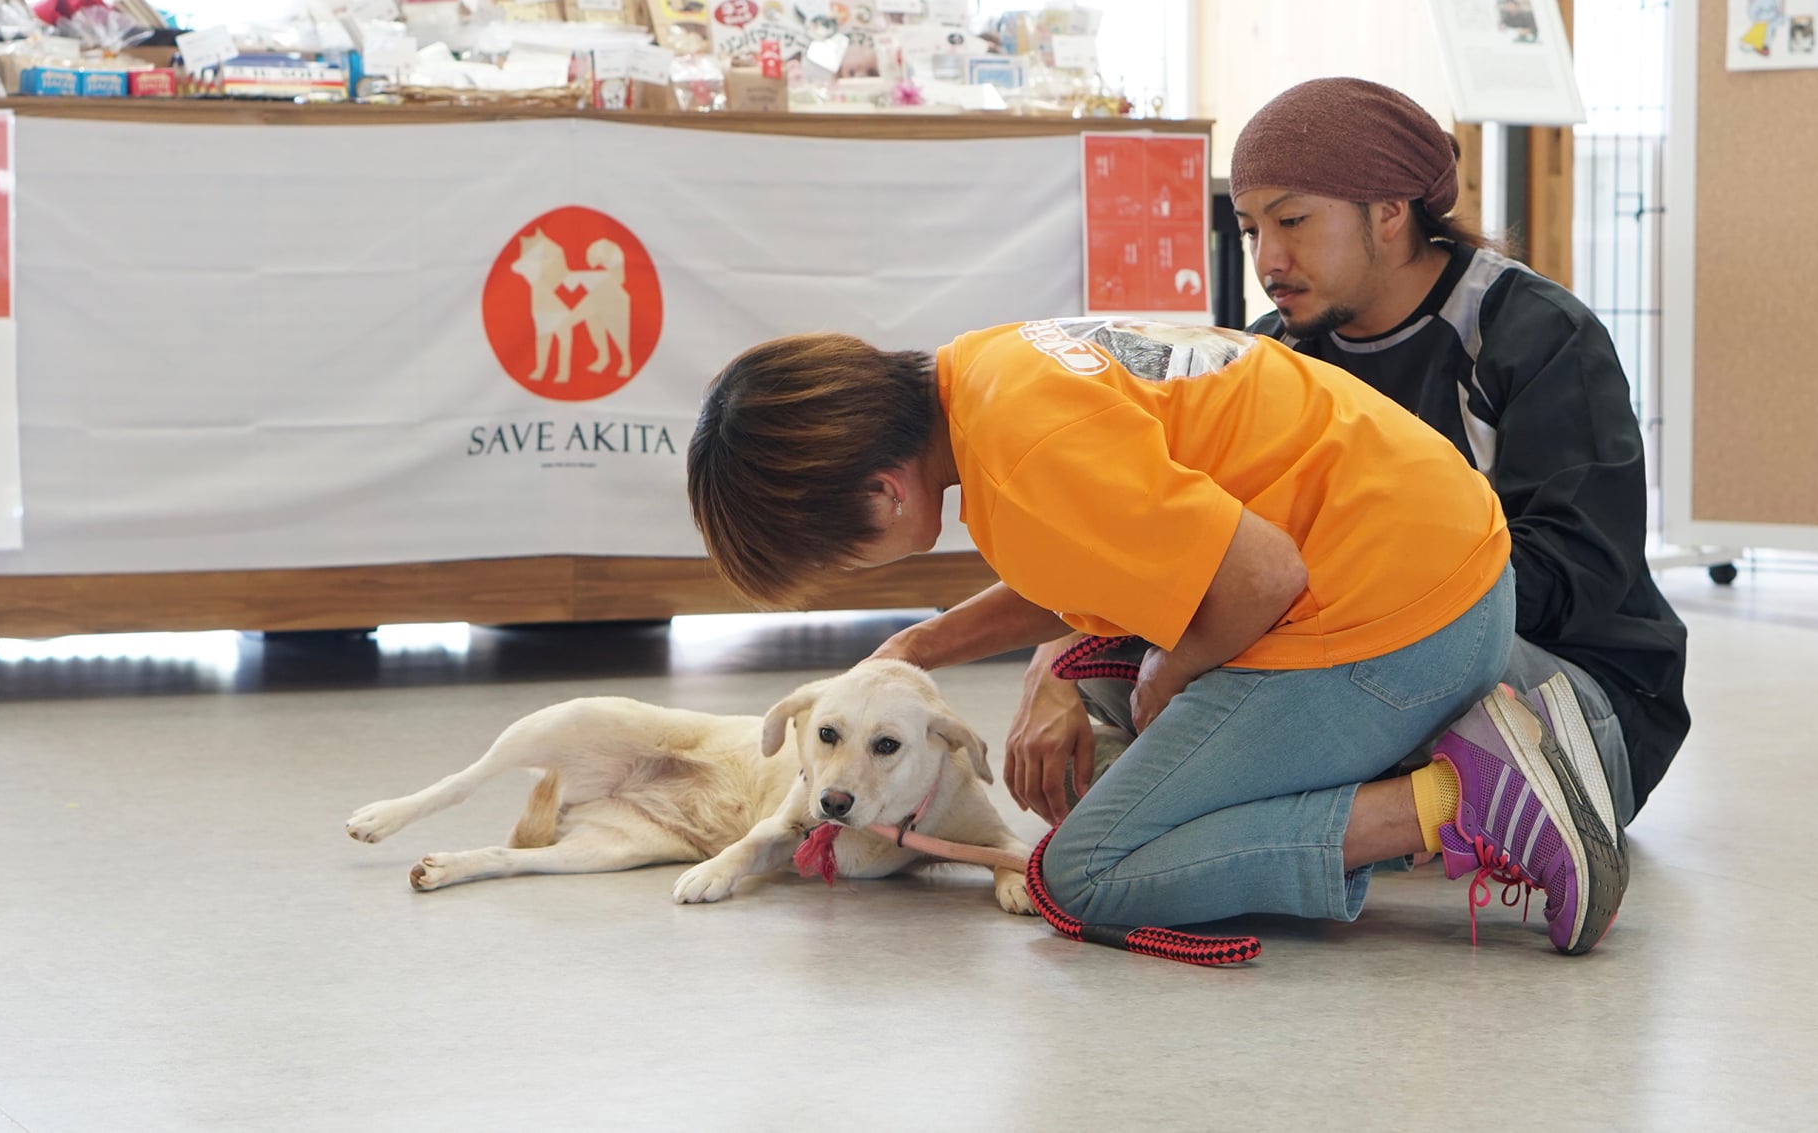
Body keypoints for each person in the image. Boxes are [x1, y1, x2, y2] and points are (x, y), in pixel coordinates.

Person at [688, 312, 1626, 953]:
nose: (864, 572)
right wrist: (913, 649)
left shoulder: (1022, 463)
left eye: (847, 559)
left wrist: (1168, 685)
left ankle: (1464, 799)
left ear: (884, 493)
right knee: (1134, 724)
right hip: (1439, 556)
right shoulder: (987, 370)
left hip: (1396, 621)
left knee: (1085, 876)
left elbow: (1261, 576)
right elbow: (1089, 555)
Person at [1224, 76, 1689, 833]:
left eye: (1294, 220)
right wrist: (1059, 659)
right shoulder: (1268, 356)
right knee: (1123, 670)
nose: (1269, 256)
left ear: (1390, 211)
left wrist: (1350, 603)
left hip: (1572, 694)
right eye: (1250, 229)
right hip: (1352, 666)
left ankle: (1348, 809)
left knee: (1299, 662)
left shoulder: (1534, 335)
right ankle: (1405, 812)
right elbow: (1180, 527)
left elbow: (1579, 569)